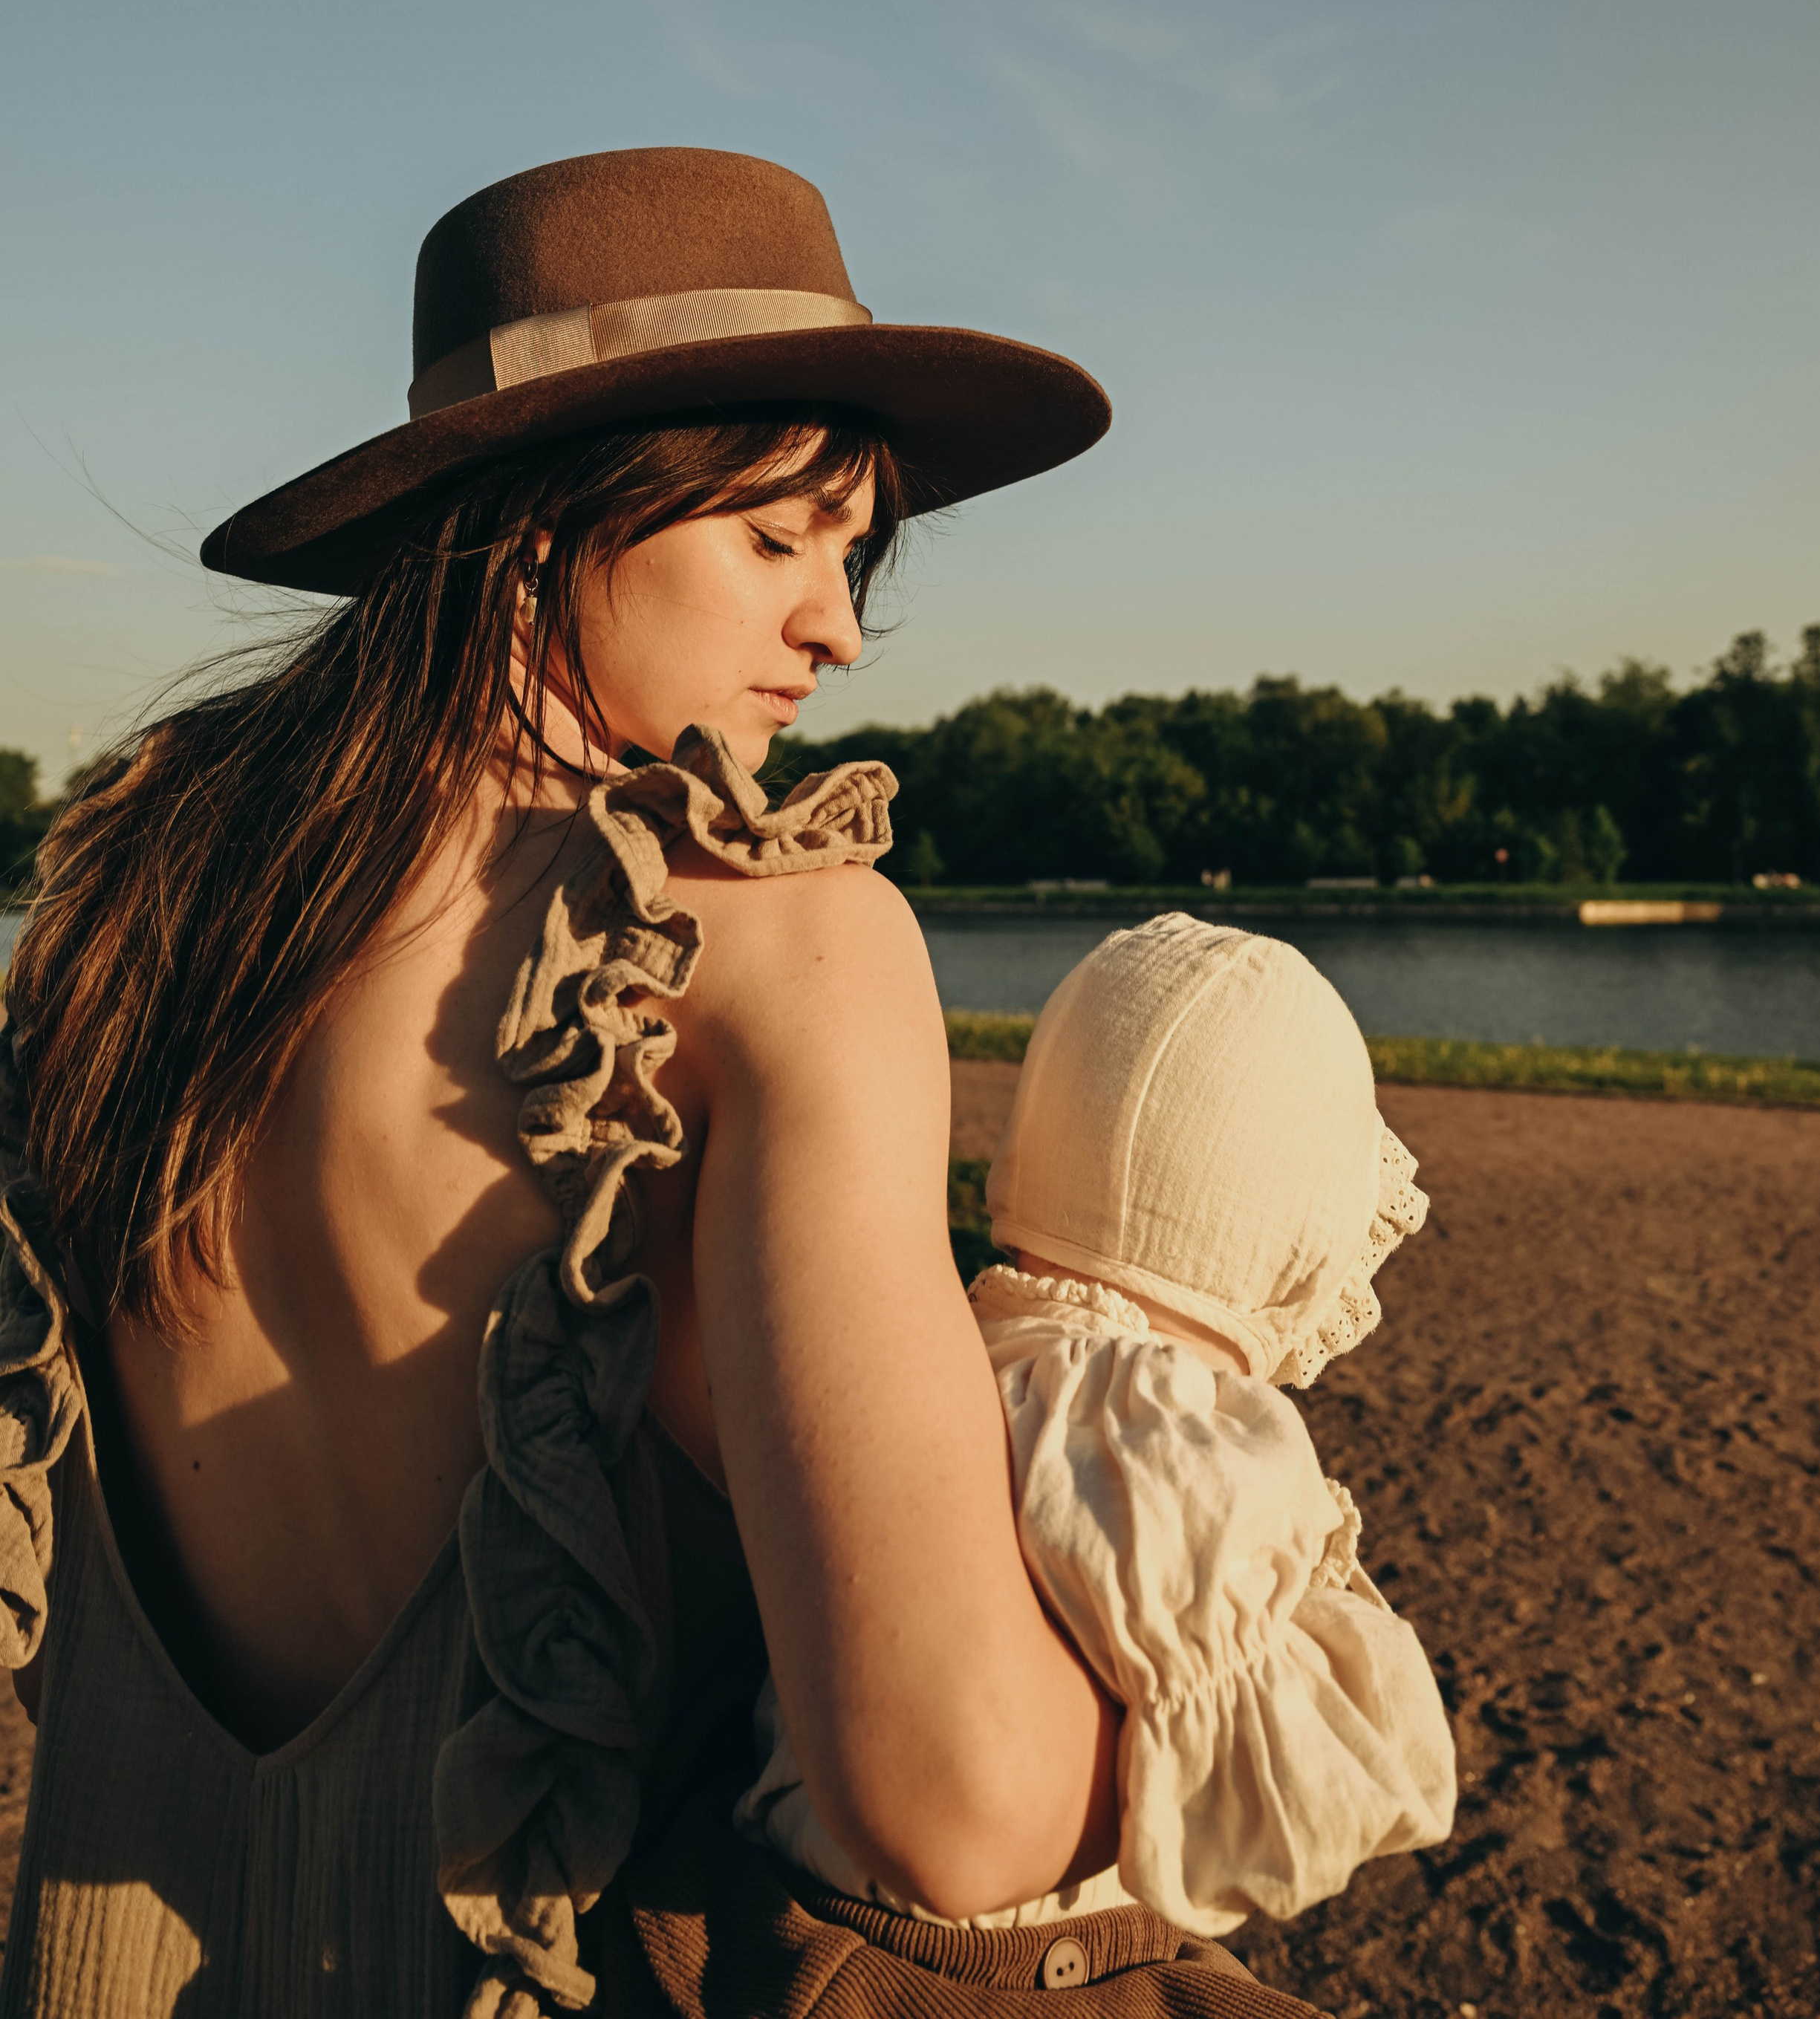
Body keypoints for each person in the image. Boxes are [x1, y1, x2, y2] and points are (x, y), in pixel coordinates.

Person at [0, 146, 1201, 2018]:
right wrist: (1214, 1612)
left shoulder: (116, 913)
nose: (839, 628)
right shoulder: (773, 942)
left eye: (849, 551)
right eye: (772, 538)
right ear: (548, 513)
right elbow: (956, 1811)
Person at [741, 913, 1457, 1934]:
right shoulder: (1158, 1433)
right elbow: (1299, 1799)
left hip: (790, 1897)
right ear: (1285, 1236)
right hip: (970, 1966)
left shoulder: (937, 1347)